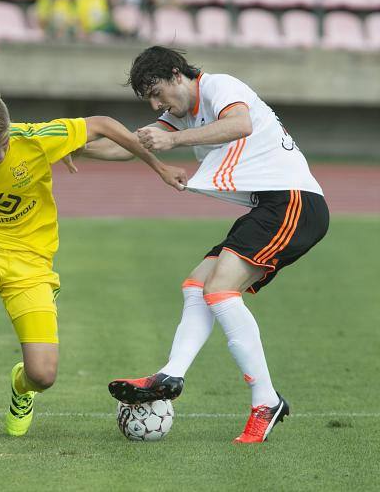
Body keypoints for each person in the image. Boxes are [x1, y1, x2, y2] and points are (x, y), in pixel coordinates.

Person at [0, 92, 186, 445]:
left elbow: (104, 125)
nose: (0, 154)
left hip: (31, 259)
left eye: (3, 144)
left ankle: (21, 387)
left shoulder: (32, 140)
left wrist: (158, 166)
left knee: (43, 374)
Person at [107, 46, 329, 443]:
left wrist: (174, 142)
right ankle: (171, 373)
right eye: (149, 100)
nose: (157, 105)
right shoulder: (180, 114)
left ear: (178, 75)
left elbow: (240, 124)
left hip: (294, 201)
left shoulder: (218, 86)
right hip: (271, 205)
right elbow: (128, 146)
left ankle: (266, 401)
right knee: (197, 284)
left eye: (157, 93)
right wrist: (65, 144)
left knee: (220, 289)